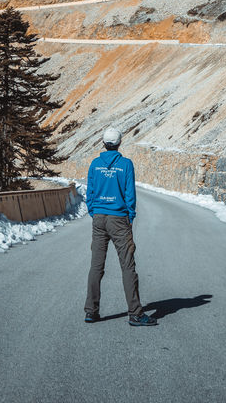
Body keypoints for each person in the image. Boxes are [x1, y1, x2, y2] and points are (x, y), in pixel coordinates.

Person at [84, 126, 157, 326]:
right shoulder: (125, 164)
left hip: (99, 218)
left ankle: (91, 311)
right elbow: (129, 194)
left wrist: (94, 211)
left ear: (103, 142)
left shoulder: (95, 164)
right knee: (127, 266)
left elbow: (89, 193)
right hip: (119, 219)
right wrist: (129, 216)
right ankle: (135, 313)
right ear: (119, 143)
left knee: (96, 266)